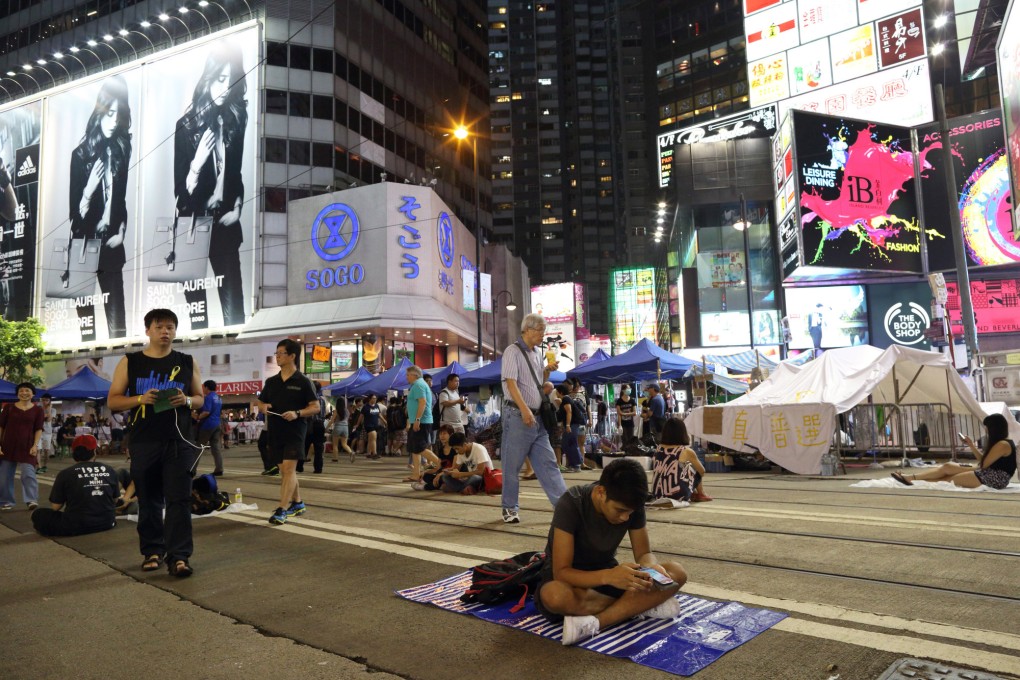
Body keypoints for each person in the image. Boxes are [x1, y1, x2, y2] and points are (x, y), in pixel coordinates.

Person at [533, 458, 688, 646]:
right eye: (620, 510)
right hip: (572, 580)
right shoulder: (572, 503)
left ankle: (597, 622)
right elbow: (562, 572)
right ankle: (638, 606)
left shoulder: (631, 504)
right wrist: (609, 576)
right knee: (554, 595)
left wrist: (650, 567)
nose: (625, 517)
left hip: (607, 578)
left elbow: (643, 554)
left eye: (630, 512)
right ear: (600, 492)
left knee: (676, 572)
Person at [107, 308, 204, 578]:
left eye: (171, 327)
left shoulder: (186, 361)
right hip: (144, 441)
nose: (166, 332)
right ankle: (152, 550)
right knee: (149, 501)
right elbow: (113, 401)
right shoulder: (131, 362)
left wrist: (185, 400)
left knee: (179, 500)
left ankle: (179, 557)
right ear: (148, 330)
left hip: (179, 442)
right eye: (160, 327)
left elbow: (199, 399)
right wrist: (139, 399)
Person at [174, 41, 248, 329]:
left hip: (225, 225)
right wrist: (197, 161)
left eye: (231, 81)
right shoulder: (186, 127)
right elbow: (180, 192)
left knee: (235, 315)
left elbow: (236, 177)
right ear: (208, 78)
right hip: (193, 226)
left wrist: (238, 207)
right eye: (220, 79)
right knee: (196, 318)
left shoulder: (235, 121)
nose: (225, 88)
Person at [65, 75, 132, 340]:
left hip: (112, 249)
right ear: (100, 111)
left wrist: (122, 231)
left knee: (118, 326)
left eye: (120, 114)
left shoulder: (122, 148)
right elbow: (75, 217)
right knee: (86, 330)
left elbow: (121, 202)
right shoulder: (80, 156)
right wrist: (90, 189)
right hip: (84, 249)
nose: (114, 121)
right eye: (110, 113)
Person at [500, 313, 568, 524]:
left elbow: (538, 381)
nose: (542, 335)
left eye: (543, 331)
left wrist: (547, 371)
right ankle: (510, 508)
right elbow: (511, 383)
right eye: (540, 331)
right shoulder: (512, 351)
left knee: (549, 464)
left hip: (537, 418)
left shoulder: (537, 353)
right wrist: (525, 409)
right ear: (527, 330)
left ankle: (564, 507)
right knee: (512, 466)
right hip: (518, 415)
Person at [256, 339, 319, 525]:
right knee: (285, 471)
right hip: (275, 431)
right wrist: (263, 406)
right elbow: (260, 402)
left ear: (292, 356)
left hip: (295, 431)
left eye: (281, 353)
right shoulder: (272, 381)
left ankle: (282, 509)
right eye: (276, 353)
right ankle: (298, 503)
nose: (277, 356)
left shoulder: (303, 381)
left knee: (289, 469)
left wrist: (297, 413)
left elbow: (315, 407)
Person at [892, 414, 1016, 489]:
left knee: (949, 478)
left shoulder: (1002, 444)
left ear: (994, 429)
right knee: (947, 467)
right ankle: (911, 478)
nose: (986, 431)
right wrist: (971, 445)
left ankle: (912, 480)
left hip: (994, 478)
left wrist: (966, 468)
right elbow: (984, 462)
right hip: (987, 472)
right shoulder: (1001, 443)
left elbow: (983, 465)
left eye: (987, 428)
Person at [31, 434, 118, 537]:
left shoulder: (66, 473)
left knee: (38, 514)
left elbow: (55, 506)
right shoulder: (109, 469)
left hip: (77, 524)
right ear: (94, 451)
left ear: (74, 453)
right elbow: (115, 500)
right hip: (107, 522)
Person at [0, 382, 44, 511]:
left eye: (27, 390)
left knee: (28, 474)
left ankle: (31, 500)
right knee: (4, 475)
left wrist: (35, 445)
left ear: (33, 394)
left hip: (27, 446)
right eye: (21, 391)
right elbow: (1, 426)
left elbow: (38, 429)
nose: (24, 393)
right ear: (17, 393)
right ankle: (6, 501)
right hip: (7, 445)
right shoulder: (8, 408)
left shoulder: (38, 410)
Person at [650, 417, 712, 504]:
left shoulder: (658, 448)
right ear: (683, 433)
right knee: (692, 466)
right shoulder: (686, 451)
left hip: (657, 494)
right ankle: (701, 494)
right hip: (678, 494)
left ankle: (694, 493)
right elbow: (702, 471)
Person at [405, 365, 434, 480]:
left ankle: (441, 463)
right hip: (418, 420)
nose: (406, 377)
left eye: (408, 375)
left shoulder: (418, 385)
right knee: (414, 448)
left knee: (419, 448)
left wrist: (417, 420)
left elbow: (422, 402)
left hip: (421, 421)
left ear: (414, 375)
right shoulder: (418, 384)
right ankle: (416, 474)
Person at [412, 424, 455, 491]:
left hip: (451, 475)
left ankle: (425, 487)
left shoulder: (455, 449)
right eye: (440, 434)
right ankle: (441, 485)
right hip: (442, 475)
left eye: (444, 433)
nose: (442, 436)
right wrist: (425, 472)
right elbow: (438, 468)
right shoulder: (441, 450)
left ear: (451, 435)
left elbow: (455, 468)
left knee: (443, 478)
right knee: (426, 476)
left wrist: (439, 475)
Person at [196, 380, 224, 476]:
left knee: (199, 447)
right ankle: (219, 469)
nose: (202, 389)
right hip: (217, 424)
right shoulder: (218, 398)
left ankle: (192, 469)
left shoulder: (208, 397)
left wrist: (197, 417)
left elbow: (206, 412)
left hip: (208, 425)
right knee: (215, 448)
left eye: (203, 387)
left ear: (206, 387)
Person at [555, 384, 584, 473]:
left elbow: (569, 412)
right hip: (571, 425)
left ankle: (576, 464)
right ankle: (574, 464)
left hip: (572, 425)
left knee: (571, 443)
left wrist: (567, 425)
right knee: (566, 444)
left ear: (560, 392)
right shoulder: (565, 400)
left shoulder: (566, 399)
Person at [303, 382, 327, 473]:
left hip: (310, 424)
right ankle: (318, 468)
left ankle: (299, 466)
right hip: (320, 424)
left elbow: (306, 413)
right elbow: (324, 414)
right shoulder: (322, 400)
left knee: (305, 445)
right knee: (319, 448)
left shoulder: (309, 400)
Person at [328, 397, 354, 463]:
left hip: (338, 427)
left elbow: (332, 420)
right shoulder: (347, 411)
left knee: (335, 445)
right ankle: (350, 452)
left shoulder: (336, 410)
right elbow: (347, 420)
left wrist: (326, 428)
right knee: (344, 444)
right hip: (345, 428)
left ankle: (335, 458)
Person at [360, 393, 386, 461]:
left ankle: (368, 453)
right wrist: (357, 424)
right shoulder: (366, 407)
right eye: (373, 398)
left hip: (375, 425)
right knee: (374, 438)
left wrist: (384, 421)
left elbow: (379, 414)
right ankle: (374, 453)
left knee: (370, 439)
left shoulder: (376, 406)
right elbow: (361, 416)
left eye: (375, 398)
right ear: (370, 399)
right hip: (368, 425)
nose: (375, 400)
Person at [38, 393, 55, 474]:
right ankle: (39, 467)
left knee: (46, 450)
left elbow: (48, 419)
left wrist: (49, 409)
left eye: (47, 400)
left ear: (50, 401)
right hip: (38, 431)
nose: (45, 402)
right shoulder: (38, 408)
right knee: (38, 450)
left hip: (48, 432)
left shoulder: (53, 410)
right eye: (43, 400)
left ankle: (45, 466)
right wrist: (45, 415)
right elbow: (40, 418)